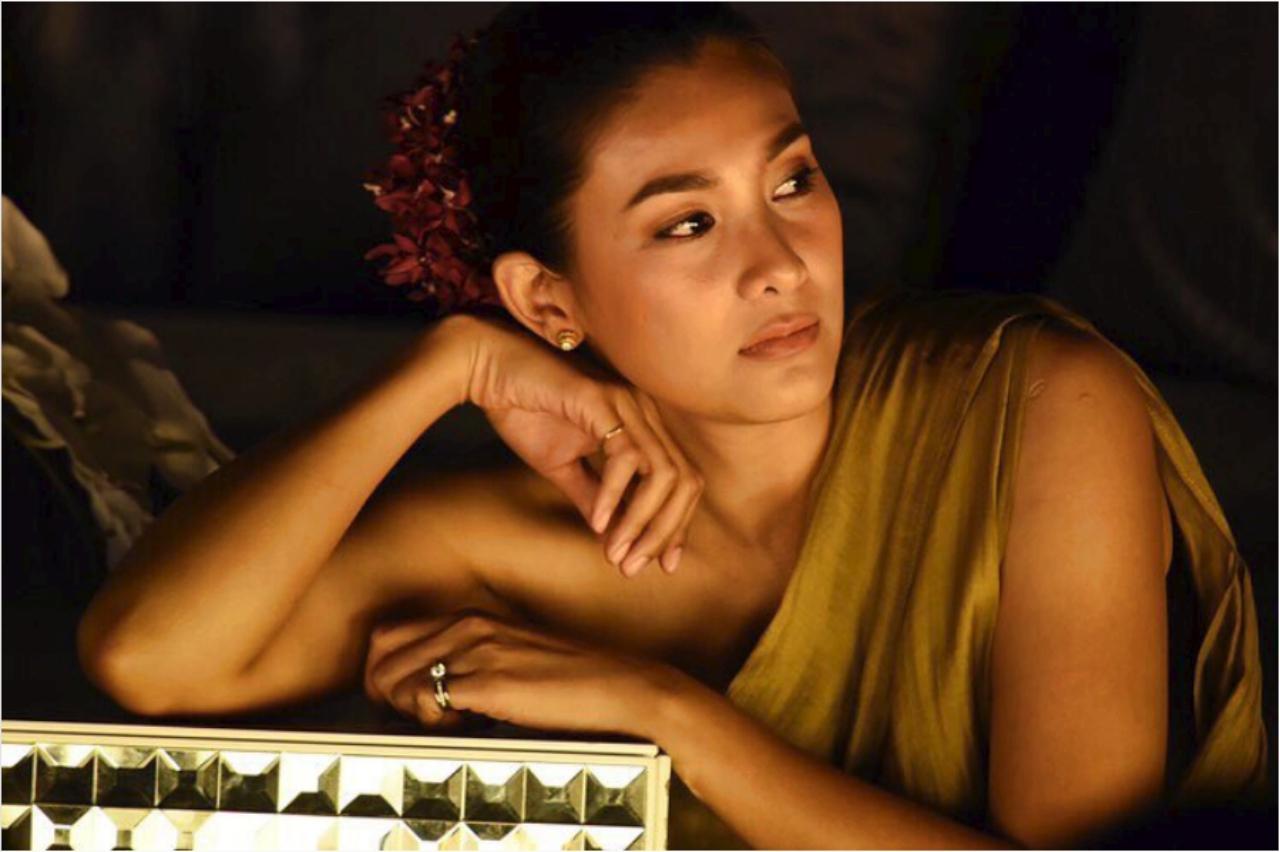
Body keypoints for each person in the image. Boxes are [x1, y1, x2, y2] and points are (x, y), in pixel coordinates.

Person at [75, 4, 1267, 848]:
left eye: (791, 181)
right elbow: (152, 657)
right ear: (547, 302)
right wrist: (443, 368)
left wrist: (663, 711)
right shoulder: (505, 543)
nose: (779, 263)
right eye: (686, 224)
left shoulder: (1036, 404)